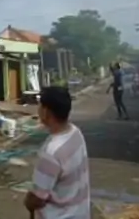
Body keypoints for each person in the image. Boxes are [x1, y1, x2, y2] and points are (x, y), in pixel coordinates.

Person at [24, 86, 91, 219]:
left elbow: (38, 198)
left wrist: (28, 202)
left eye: (40, 105)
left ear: (46, 112)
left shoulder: (50, 152)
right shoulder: (75, 132)